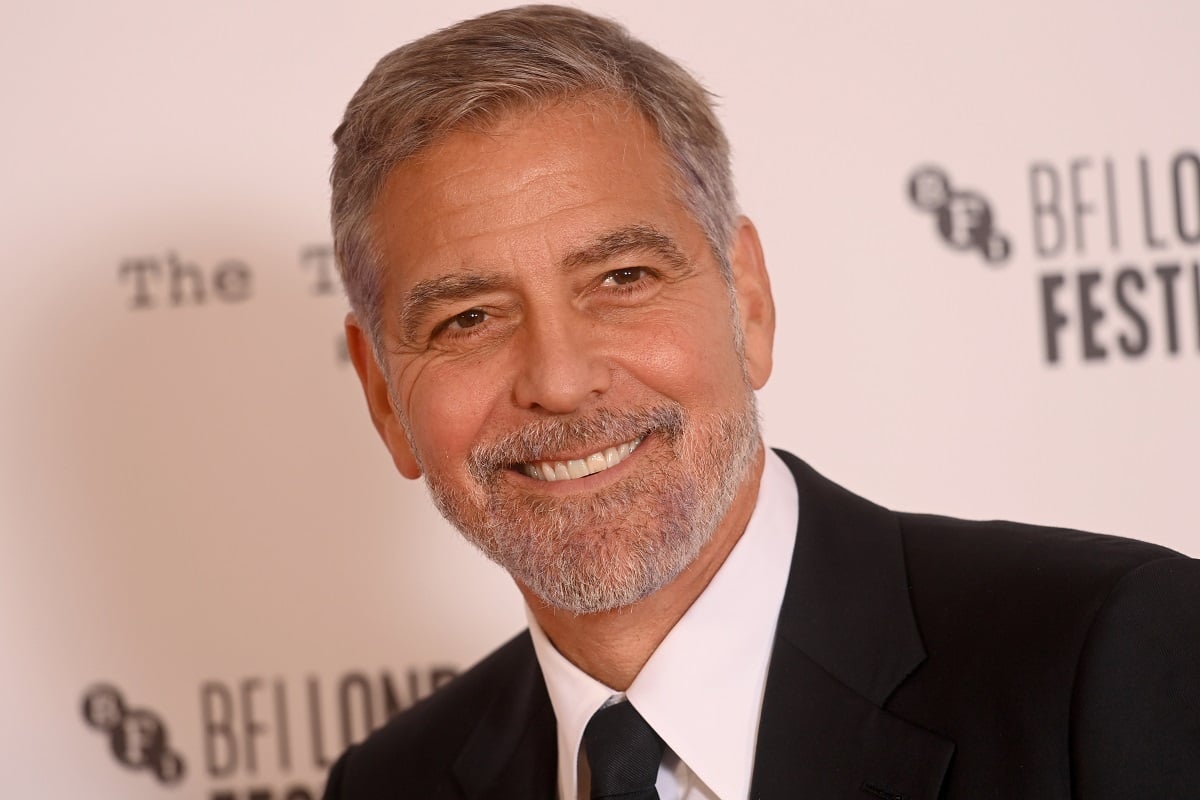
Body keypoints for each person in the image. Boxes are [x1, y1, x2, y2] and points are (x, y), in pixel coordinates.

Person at [322, 5, 1200, 798]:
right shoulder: (390, 785)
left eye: (622, 278)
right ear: (384, 399)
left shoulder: (1110, 660)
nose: (557, 379)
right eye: (468, 318)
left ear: (747, 300)